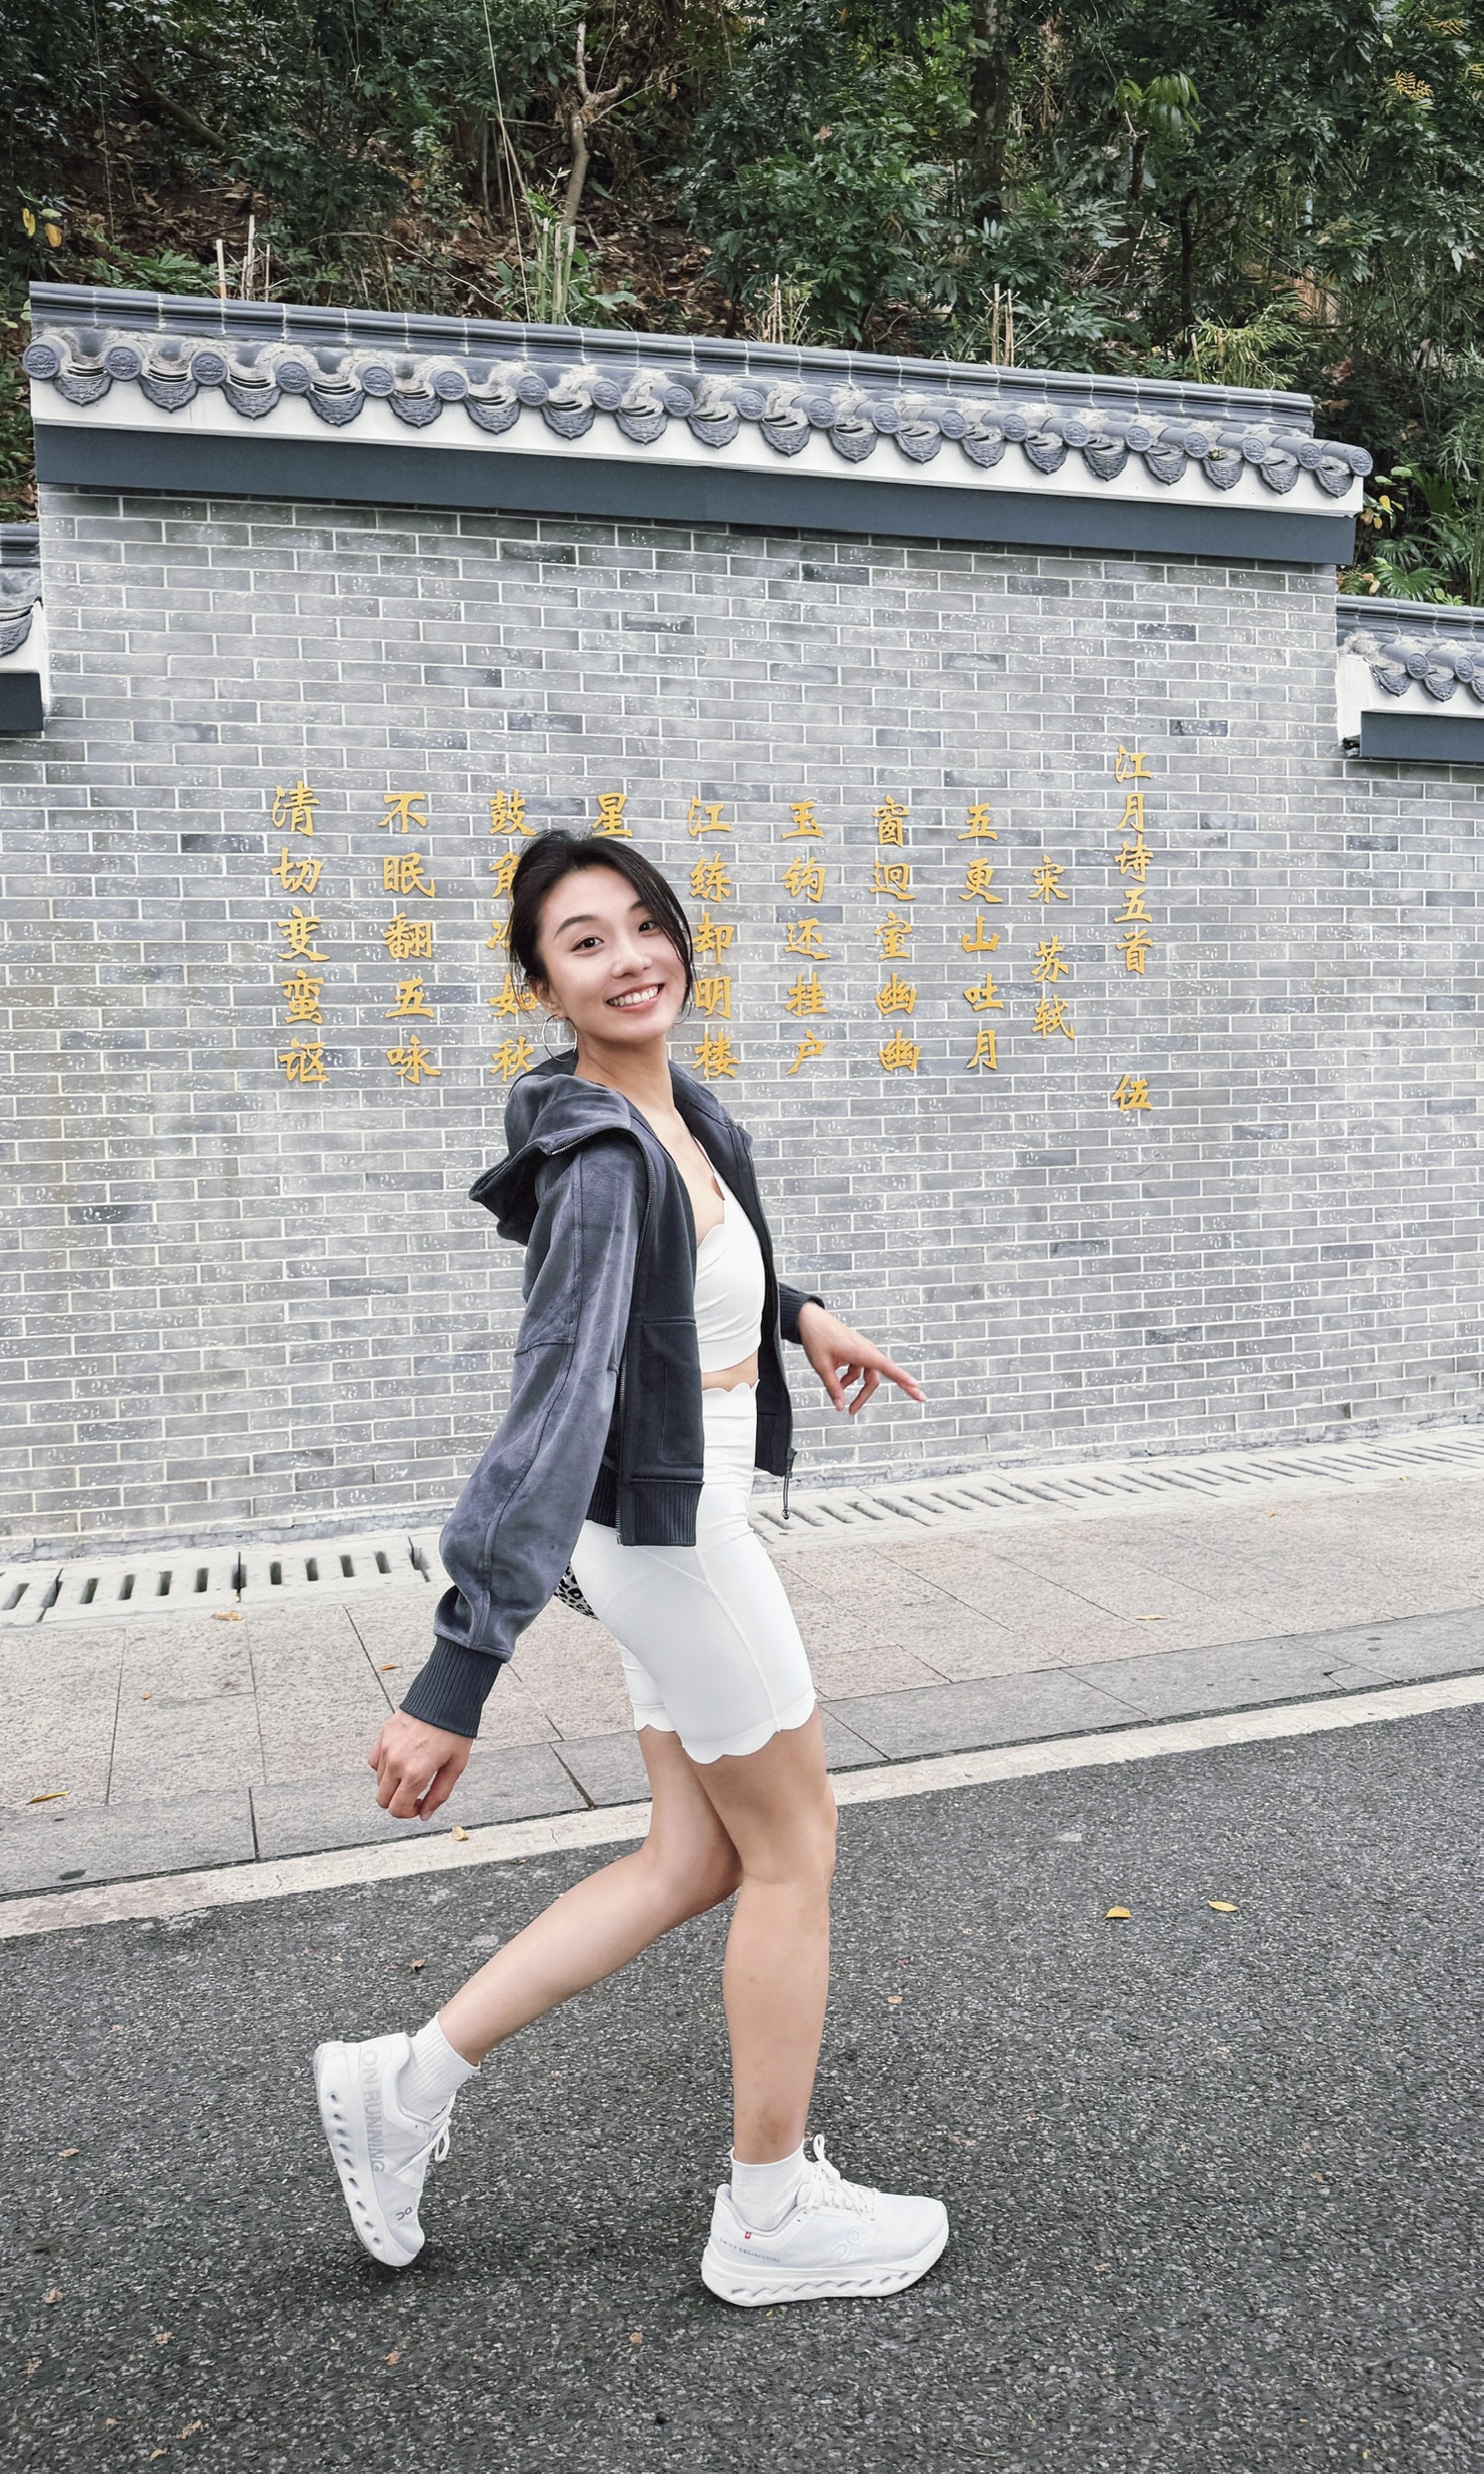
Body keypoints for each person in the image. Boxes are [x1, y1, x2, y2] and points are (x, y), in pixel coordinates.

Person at [314, 829, 948, 2306]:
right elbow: (554, 1406)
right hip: (677, 1537)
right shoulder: (603, 1160)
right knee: (793, 1851)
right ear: (543, 987)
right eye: (583, 942)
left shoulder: (676, 1114)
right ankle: (768, 2217)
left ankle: (403, 2084)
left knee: (693, 1857)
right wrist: (454, 1674)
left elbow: (690, 1275)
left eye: (643, 924)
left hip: (665, 1525)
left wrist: (799, 1316)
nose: (629, 957)